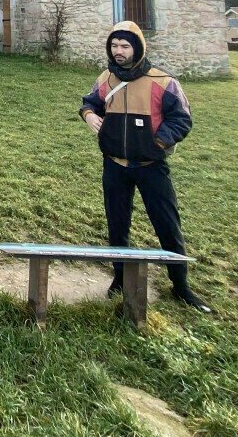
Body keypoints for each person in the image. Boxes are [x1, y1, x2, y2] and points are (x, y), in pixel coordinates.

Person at [78, 20, 212, 314]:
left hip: (151, 167)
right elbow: (89, 102)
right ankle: (119, 278)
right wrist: (89, 116)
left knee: (166, 224)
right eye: (114, 46)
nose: (118, 52)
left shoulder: (163, 81)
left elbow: (181, 119)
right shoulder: (107, 78)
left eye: (125, 46)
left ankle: (180, 285)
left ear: (137, 47)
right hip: (114, 164)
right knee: (117, 225)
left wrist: (158, 143)